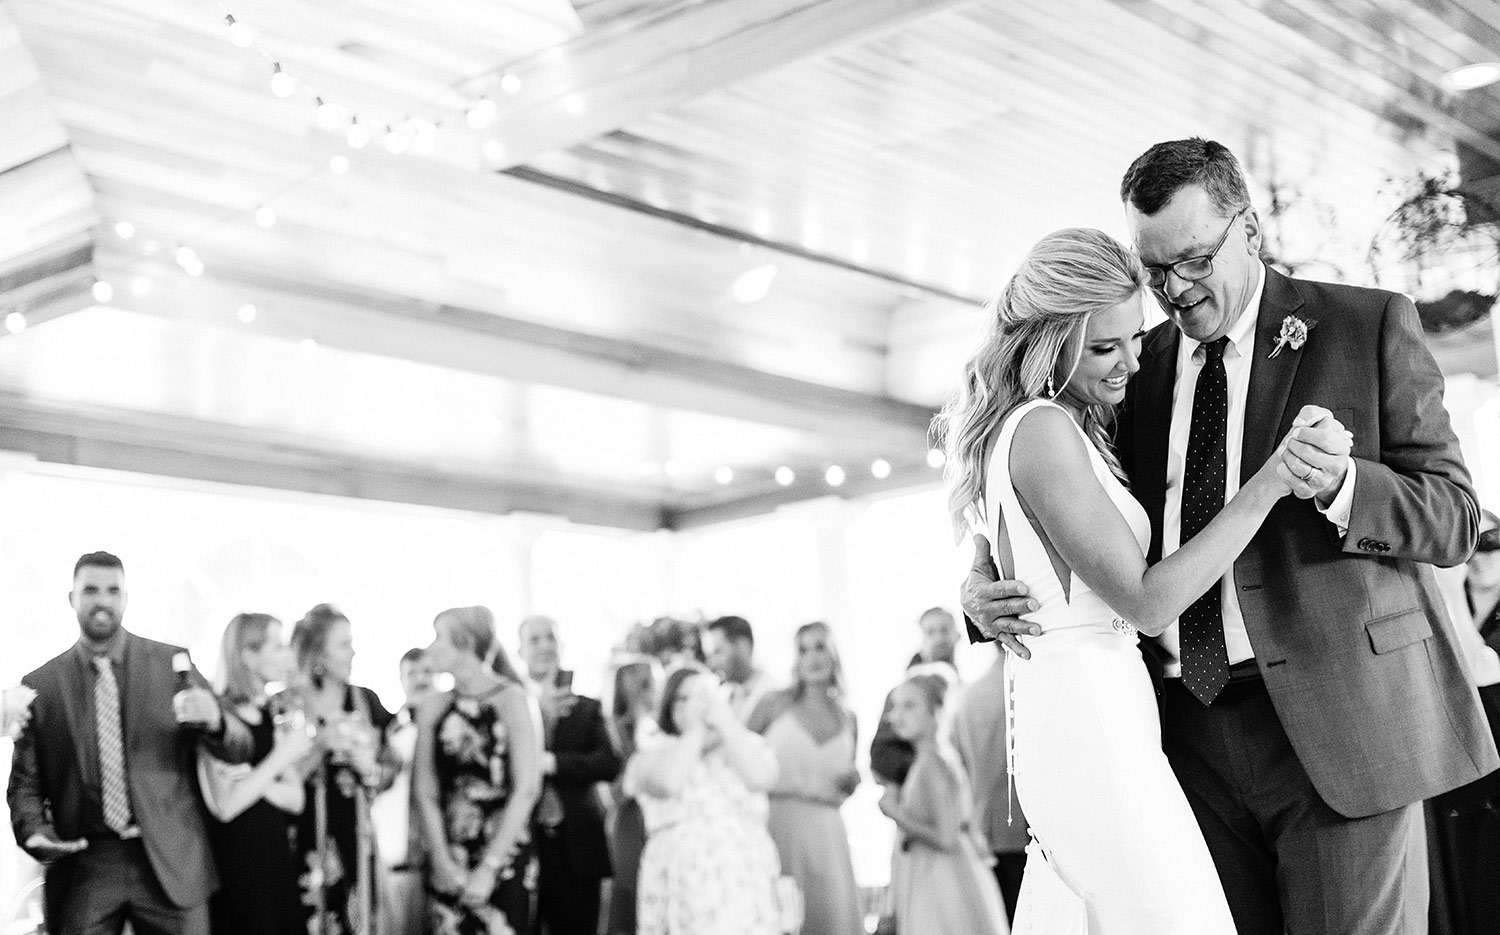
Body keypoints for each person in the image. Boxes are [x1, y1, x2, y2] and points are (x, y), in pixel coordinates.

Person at [960, 138, 1497, 935]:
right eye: (1156, 271)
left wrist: (1344, 486)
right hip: (1182, 737)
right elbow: (1059, 505)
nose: (1175, 290)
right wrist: (978, 580)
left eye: (1194, 260)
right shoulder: (1132, 363)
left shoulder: (1364, 323)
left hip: (1340, 722)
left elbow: (1454, 516)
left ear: (1248, 228)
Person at [6, 551, 254, 935]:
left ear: (125, 598)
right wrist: (34, 832)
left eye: (112, 590)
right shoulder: (43, 684)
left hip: (170, 858)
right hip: (86, 862)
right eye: (90, 590)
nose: (102, 600)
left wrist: (218, 722)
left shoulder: (173, 664)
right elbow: (25, 783)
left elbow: (240, 747)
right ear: (71, 598)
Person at [414, 605, 541, 935]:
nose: (430, 648)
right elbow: (424, 790)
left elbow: (527, 788)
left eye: (439, 637)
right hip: (448, 849)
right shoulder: (434, 706)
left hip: (504, 850)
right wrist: (441, 860)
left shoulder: (513, 699)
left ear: (466, 642)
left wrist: (490, 866)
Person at [629, 665, 782, 935]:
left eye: (710, 695)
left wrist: (727, 723)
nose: (707, 704)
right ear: (673, 707)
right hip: (681, 891)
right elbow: (668, 782)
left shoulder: (746, 745)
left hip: (744, 887)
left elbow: (761, 778)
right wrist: (696, 729)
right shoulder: (654, 752)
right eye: (693, 697)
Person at [283, 603, 395, 935]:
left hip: (356, 839)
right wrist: (320, 747)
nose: (353, 652)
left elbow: (391, 766)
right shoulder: (285, 704)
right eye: (344, 645)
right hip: (302, 840)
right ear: (318, 653)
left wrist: (371, 770)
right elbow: (272, 779)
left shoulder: (365, 701)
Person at [200, 612, 313, 935]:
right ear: (249, 656)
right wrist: (281, 756)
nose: (288, 656)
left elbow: (296, 799)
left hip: (276, 861)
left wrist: (252, 779)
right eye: (278, 646)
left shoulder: (268, 714)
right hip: (238, 866)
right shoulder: (217, 718)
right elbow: (226, 805)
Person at [747, 622, 862, 935]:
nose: (813, 657)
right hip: (778, 825)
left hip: (829, 832)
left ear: (834, 653)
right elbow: (738, 759)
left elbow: (845, 777)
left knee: (833, 918)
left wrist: (852, 783)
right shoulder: (773, 704)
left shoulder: (849, 717)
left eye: (820, 647)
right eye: (803, 649)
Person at [878, 666, 1008, 935]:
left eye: (909, 706)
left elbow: (947, 837)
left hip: (942, 880)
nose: (897, 716)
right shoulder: (927, 758)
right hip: (930, 875)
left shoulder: (933, 763)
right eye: (895, 707)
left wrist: (895, 813)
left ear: (935, 710)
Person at [518, 614, 622, 935]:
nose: (544, 646)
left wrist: (553, 763)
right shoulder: (511, 707)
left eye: (550, 637)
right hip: (525, 843)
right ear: (520, 651)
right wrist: (536, 715)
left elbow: (609, 763)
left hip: (576, 846)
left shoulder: (587, 707)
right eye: (534, 639)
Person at [1427, 510, 1500, 935]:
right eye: (1469, 547)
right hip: (1460, 774)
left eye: (1491, 544)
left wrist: (1450, 590)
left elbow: (1481, 668)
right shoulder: (1456, 608)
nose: (1480, 557)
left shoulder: (1457, 601)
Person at [950, 641, 1029, 923]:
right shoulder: (1027, 688)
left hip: (984, 823)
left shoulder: (970, 696)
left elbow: (958, 764)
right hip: (1023, 825)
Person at [373, 647, 436, 935]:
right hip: (400, 861)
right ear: (401, 679)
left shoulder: (452, 726)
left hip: (445, 858)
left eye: (427, 671)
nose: (421, 679)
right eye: (412, 673)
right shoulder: (389, 730)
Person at [603, 654, 662, 935]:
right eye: (646, 684)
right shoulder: (614, 729)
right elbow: (616, 791)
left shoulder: (663, 728)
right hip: (630, 820)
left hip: (658, 819)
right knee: (630, 889)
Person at [869, 607, 958, 786]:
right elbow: (881, 755)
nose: (939, 638)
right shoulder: (902, 695)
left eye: (944, 630)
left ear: (957, 635)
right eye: (930, 632)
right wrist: (922, 769)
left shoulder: (964, 688)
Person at [700, 616, 772, 721]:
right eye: (709, 656)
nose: (711, 664)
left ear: (742, 647)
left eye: (718, 652)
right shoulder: (724, 696)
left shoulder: (773, 695)